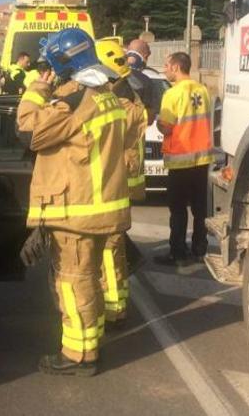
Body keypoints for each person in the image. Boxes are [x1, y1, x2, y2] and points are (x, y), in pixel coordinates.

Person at [24, 28, 130, 377]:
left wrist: (39, 87)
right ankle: (92, 340)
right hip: (103, 208)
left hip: (77, 213)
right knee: (90, 280)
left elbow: (27, 130)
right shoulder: (106, 94)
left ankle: (78, 356)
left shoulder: (73, 99)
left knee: (72, 282)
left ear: (60, 62)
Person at [95, 38, 148, 324]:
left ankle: (114, 308)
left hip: (116, 183)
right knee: (114, 245)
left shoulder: (120, 102)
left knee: (109, 247)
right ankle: (119, 299)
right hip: (124, 181)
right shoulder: (127, 95)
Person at [155, 52, 213, 267]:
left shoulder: (173, 94)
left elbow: (167, 127)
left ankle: (178, 253)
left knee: (178, 210)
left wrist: (159, 123)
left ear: (176, 67)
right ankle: (200, 249)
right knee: (200, 209)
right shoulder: (203, 90)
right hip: (201, 159)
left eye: (167, 65)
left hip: (181, 160)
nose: (165, 69)